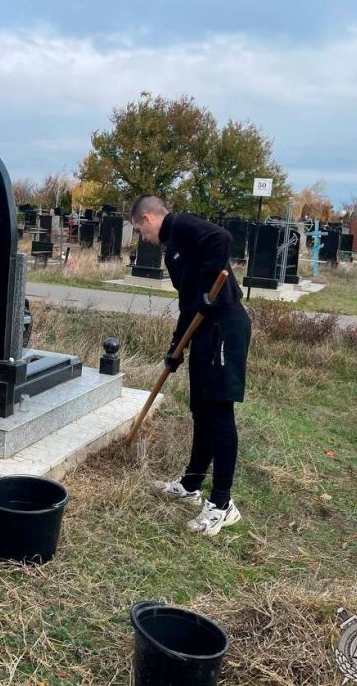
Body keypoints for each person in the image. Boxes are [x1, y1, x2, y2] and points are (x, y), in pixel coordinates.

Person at [130, 195, 252, 536]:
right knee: (200, 409)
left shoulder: (181, 225)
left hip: (225, 327)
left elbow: (221, 239)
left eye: (140, 229)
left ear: (150, 218)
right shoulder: (173, 252)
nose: (143, 237)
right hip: (202, 332)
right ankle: (191, 484)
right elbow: (189, 304)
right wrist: (175, 348)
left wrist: (210, 292)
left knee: (219, 414)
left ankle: (222, 504)